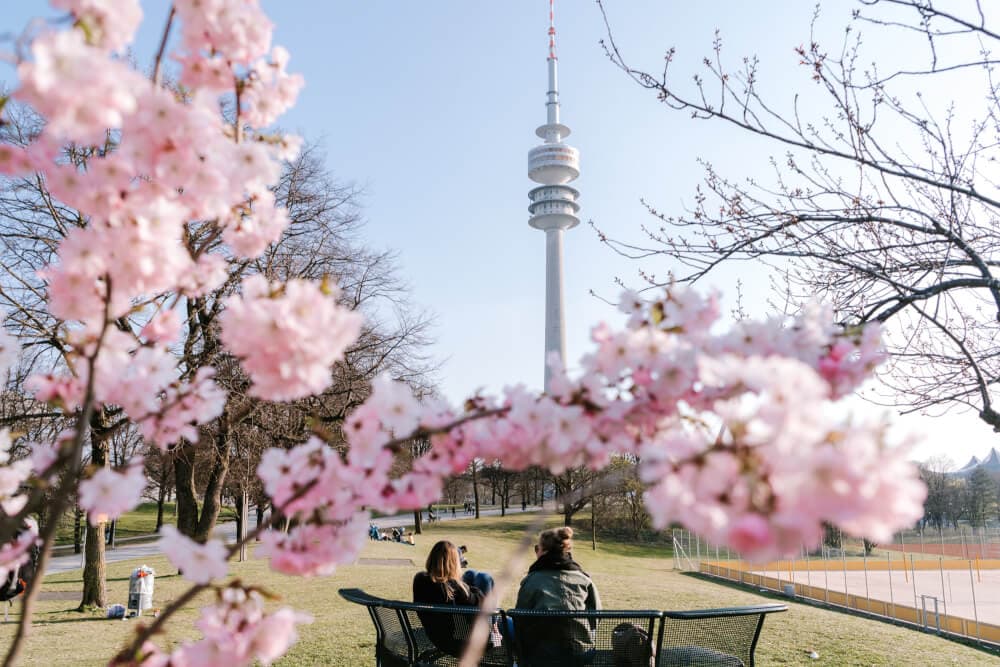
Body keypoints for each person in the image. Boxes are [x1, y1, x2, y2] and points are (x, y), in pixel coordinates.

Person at [514, 527, 601, 664]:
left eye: (538, 548)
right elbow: (596, 615)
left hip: (541, 655)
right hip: (579, 652)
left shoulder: (531, 580)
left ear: (544, 551)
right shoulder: (584, 579)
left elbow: (520, 619)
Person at [413, 540, 487, 657]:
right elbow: (483, 602)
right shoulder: (453, 588)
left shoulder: (419, 579)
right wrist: (468, 588)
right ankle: (497, 632)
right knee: (485, 578)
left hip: (435, 637)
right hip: (460, 643)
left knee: (471, 574)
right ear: (454, 563)